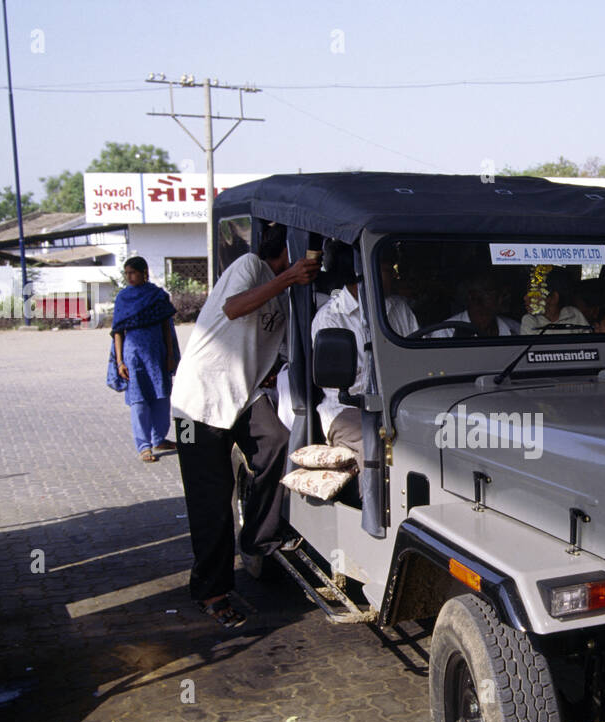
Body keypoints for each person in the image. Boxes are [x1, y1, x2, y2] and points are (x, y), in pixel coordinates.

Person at [171, 223, 320, 628]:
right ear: (292, 250)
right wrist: (288, 277)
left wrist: (272, 372)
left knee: (277, 442)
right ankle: (211, 592)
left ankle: (258, 537)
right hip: (196, 402)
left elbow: (277, 348)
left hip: (241, 396)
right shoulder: (250, 265)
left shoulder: (286, 298)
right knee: (212, 501)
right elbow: (234, 308)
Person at [310, 241, 419, 469]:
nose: (394, 277)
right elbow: (339, 388)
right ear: (363, 274)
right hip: (347, 409)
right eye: (389, 271)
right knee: (377, 444)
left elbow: (417, 357)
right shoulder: (331, 318)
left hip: (398, 404)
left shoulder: (399, 309)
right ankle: (370, 502)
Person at [106, 257, 179, 462]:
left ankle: (159, 438)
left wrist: (171, 355)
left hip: (157, 354)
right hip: (133, 356)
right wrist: (120, 361)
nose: (129, 277)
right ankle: (144, 446)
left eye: (133, 272)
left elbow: (167, 327)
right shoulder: (123, 298)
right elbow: (118, 331)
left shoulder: (157, 296)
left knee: (161, 397)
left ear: (144, 272)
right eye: (126, 273)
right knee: (139, 400)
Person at [521, 268, 588, 335]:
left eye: (533, 293)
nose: (525, 298)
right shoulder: (529, 320)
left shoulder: (573, 315)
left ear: (553, 298)